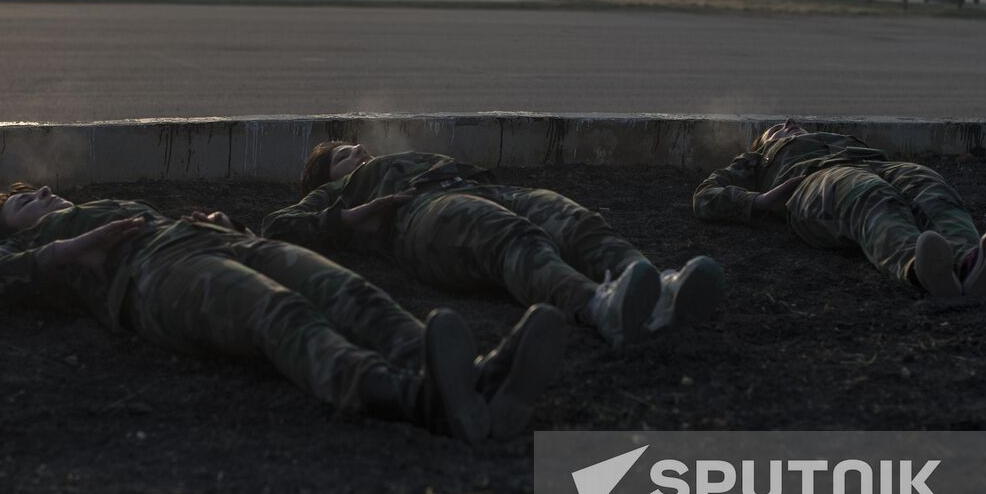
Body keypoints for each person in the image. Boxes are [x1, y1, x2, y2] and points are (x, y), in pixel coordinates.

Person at [0, 183, 567, 443]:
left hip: (215, 241)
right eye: (22, 203)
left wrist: (222, 223)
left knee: (351, 294)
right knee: (281, 314)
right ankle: (410, 398)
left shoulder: (100, 203)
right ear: (6, 232)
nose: (41, 195)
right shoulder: (23, 252)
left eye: (37, 191)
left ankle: (473, 379)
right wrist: (67, 250)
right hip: (154, 279)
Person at [262, 143, 724, 349]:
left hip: (479, 188)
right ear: (328, 180)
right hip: (418, 217)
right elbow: (278, 226)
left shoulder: (401, 159)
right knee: (513, 239)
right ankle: (598, 306)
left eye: (355, 147)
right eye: (343, 156)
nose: (358, 151)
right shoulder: (342, 192)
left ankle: (659, 288)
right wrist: (357, 214)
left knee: (577, 223)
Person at [691, 120, 986, 298]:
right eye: (776, 127)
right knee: (869, 195)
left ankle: (970, 261)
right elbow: (705, 196)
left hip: (875, 165)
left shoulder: (838, 139)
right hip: (815, 184)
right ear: (764, 144)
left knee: (927, 183)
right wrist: (761, 201)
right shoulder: (758, 161)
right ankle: (919, 267)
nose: (789, 121)